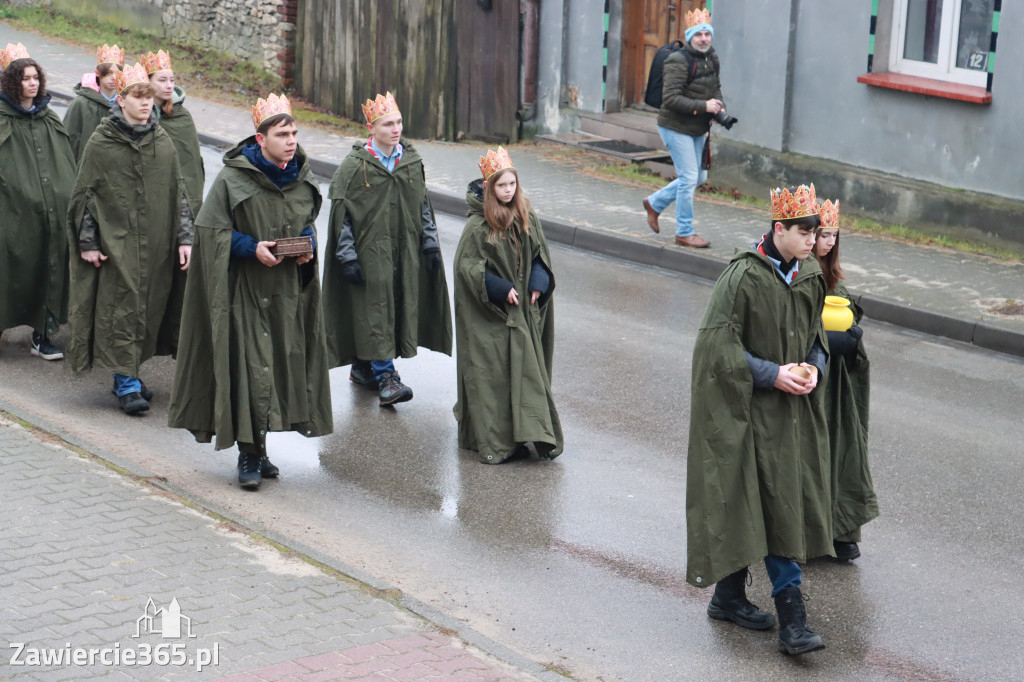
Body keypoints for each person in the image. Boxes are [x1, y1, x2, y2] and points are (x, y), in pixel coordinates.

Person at [686, 184, 832, 656]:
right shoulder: (741, 277)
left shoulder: (810, 274)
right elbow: (716, 349)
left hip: (791, 416)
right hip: (745, 410)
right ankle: (790, 621)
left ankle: (730, 598)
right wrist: (773, 374)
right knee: (748, 498)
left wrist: (813, 367)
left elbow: (817, 338)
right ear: (779, 229)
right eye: (804, 231)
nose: (813, 240)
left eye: (816, 232)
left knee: (779, 502)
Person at [168, 94, 332, 490]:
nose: (291, 140)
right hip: (242, 290)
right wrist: (249, 247)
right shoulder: (232, 179)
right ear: (261, 140)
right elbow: (212, 232)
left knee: (274, 365)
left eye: (294, 133)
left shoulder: (303, 179)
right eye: (282, 134)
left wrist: (306, 243)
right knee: (246, 366)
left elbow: (307, 223)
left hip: (285, 292)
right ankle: (248, 453)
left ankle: (261, 448)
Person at [66, 62, 193, 415]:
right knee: (122, 307)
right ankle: (126, 383)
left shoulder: (161, 141)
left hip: (156, 243)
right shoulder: (102, 142)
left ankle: (132, 372)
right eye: (137, 97)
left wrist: (185, 238)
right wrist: (88, 242)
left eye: (148, 98)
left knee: (149, 308)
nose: (145, 104)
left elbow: (178, 192)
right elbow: (86, 197)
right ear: (121, 100)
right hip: (116, 242)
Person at [322, 91, 452, 406]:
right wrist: (347, 255)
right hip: (369, 254)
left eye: (398, 123)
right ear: (371, 127)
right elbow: (343, 217)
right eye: (387, 124)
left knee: (393, 307)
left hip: (404, 252)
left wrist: (431, 244)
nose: (395, 129)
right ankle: (387, 379)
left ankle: (363, 368)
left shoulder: (411, 161)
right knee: (376, 310)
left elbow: (423, 205)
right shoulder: (355, 166)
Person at [453, 147, 562, 464]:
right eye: (501, 186)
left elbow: (539, 255)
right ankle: (498, 439)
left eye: (512, 185)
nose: (508, 191)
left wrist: (538, 282)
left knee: (525, 372)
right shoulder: (478, 226)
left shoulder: (527, 216)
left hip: (523, 313)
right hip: (493, 312)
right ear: (489, 188)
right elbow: (468, 268)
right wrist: (500, 288)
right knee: (495, 375)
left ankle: (529, 431)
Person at [0, 43, 76, 361]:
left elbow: (66, 165)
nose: (31, 83)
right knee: (7, 271)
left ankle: (42, 336)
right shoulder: (3, 120)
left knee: (49, 270)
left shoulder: (49, 118)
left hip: (50, 217)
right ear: (11, 82)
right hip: (11, 217)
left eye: (35, 78)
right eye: (24, 78)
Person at [814, 199, 878, 562]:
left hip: (838, 385)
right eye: (822, 233)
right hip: (811, 377)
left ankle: (842, 529)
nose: (826, 241)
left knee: (843, 451)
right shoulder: (798, 271)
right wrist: (823, 340)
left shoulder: (832, 275)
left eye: (832, 235)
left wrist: (851, 335)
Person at [641, 8, 726, 248]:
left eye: (706, 34)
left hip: (697, 127)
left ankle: (654, 203)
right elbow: (671, 99)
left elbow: (715, 88)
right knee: (689, 177)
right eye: (698, 34)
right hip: (675, 126)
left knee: (699, 176)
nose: (703, 39)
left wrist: (719, 108)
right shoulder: (677, 60)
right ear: (689, 36)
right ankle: (684, 232)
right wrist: (705, 106)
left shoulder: (712, 57)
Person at [143, 49, 205, 216]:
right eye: (162, 80)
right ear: (148, 83)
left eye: (171, 80)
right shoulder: (137, 116)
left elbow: (191, 166)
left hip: (178, 201)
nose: (169, 85)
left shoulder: (181, 117)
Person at [63, 43, 123, 161]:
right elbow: (70, 137)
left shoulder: (126, 103)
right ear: (97, 73)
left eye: (117, 73)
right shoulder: (81, 103)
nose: (113, 78)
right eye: (109, 73)